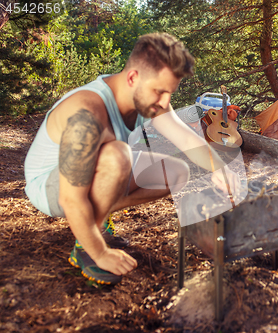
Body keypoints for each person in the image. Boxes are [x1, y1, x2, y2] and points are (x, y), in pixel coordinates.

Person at [24, 33, 240, 285]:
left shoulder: (151, 98)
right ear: (132, 77)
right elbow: (70, 198)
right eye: (159, 91)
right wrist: (101, 252)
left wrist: (219, 168)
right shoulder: (87, 112)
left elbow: (186, 138)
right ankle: (86, 248)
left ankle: (96, 221)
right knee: (118, 155)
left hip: (95, 169)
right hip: (51, 185)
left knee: (177, 172)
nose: (164, 102)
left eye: (169, 92)